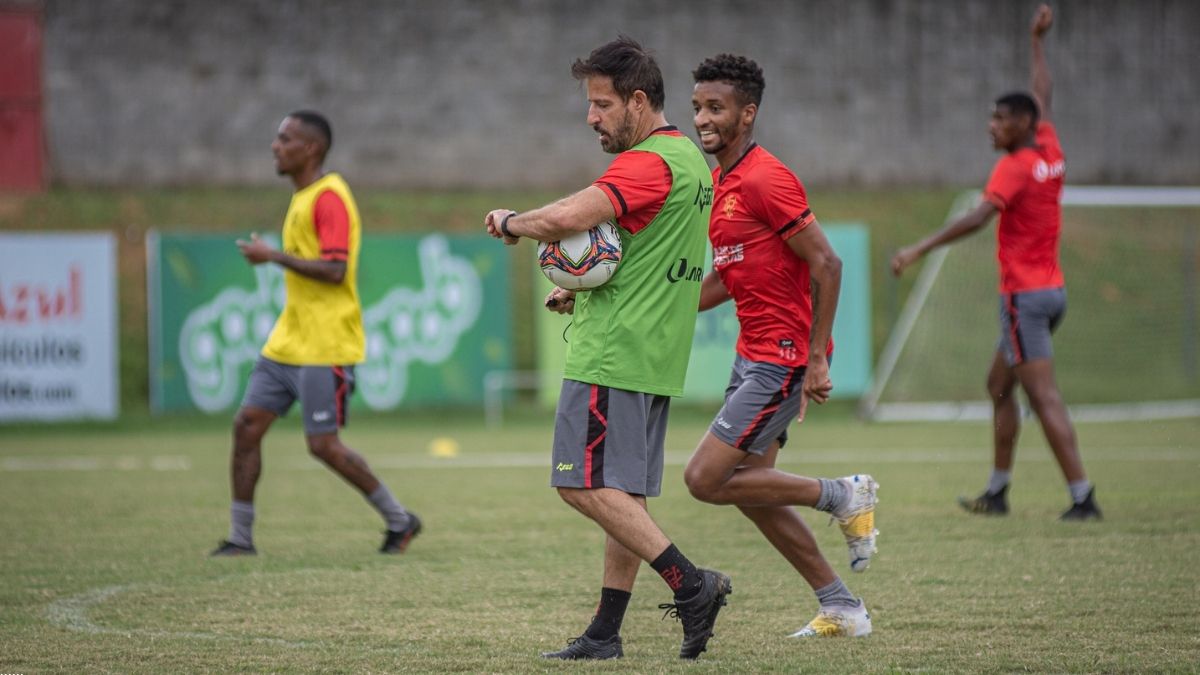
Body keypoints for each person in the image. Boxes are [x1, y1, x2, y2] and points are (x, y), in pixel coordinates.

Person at [483, 37, 730, 661]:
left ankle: (692, 585)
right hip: (653, 352)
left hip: (613, 353)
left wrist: (512, 222)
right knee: (624, 493)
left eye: (600, 104)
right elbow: (650, 257)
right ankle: (604, 633)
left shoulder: (645, 161)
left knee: (581, 485)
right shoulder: (694, 163)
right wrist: (582, 293)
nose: (590, 117)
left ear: (638, 101)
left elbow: (571, 217)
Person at [682, 53, 877, 639]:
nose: (702, 119)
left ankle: (843, 493)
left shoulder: (767, 178)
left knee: (703, 479)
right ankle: (842, 607)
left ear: (748, 113)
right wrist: (655, 302)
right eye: (696, 107)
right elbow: (725, 278)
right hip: (754, 355)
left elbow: (828, 263)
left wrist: (816, 357)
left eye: (715, 108)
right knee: (750, 493)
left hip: (783, 358)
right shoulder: (724, 182)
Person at [891, 5, 1101, 521]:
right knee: (997, 385)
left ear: (1021, 124)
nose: (991, 126)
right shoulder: (1049, 147)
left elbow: (980, 217)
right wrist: (1036, 42)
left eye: (999, 118)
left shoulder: (1015, 167)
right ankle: (999, 490)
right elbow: (1043, 90)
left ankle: (1082, 497)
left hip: (1024, 299)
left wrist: (919, 247)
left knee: (1043, 396)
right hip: (1052, 292)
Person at [211, 110, 422, 556]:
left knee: (323, 445)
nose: (275, 145)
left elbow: (334, 268)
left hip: (326, 344)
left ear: (311, 148)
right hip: (287, 341)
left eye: (284, 138)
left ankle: (399, 520)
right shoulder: (304, 196)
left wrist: (273, 257)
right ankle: (240, 538)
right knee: (246, 426)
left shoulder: (330, 197)